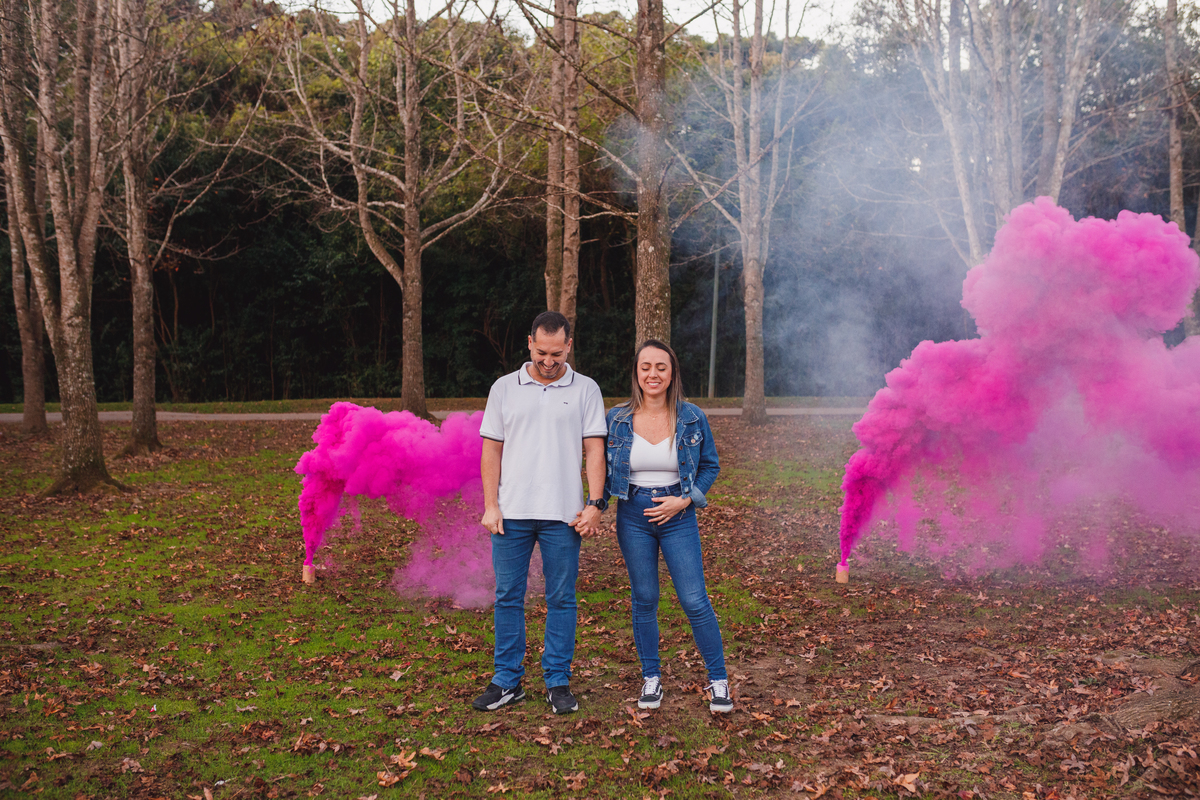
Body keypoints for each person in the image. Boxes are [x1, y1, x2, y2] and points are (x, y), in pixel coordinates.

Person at [472, 311, 608, 715]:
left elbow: (595, 449)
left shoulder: (586, 389)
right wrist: (491, 505)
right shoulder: (503, 388)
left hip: (564, 515)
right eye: (542, 351)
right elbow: (491, 449)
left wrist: (596, 504)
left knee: (562, 598)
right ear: (530, 343)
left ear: (569, 345)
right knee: (508, 597)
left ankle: (557, 682)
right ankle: (507, 682)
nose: (549, 360)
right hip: (511, 514)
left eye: (557, 352)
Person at [603, 339, 731, 712]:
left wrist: (686, 499)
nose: (653, 374)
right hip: (633, 516)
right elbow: (598, 462)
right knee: (645, 599)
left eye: (661, 366)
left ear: (672, 372)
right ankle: (651, 678)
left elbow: (710, 466)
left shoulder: (691, 416)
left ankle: (719, 681)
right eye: (646, 367)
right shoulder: (617, 418)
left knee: (694, 599)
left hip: (679, 515)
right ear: (636, 373)